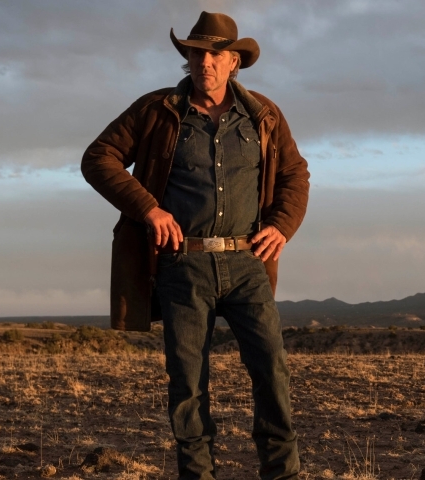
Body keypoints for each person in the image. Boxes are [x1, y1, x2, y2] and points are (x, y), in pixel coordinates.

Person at [81, 11, 309, 480]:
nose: (204, 61)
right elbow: (98, 158)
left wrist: (282, 225)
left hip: (247, 262)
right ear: (187, 57)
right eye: (196, 52)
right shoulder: (156, 109)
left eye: (215, 54)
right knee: (187, 384)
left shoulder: (262, 114)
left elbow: (294, 175)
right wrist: (149, 209)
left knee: (272, 372)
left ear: (233, 62)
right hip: (183, 264)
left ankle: (282, 474)